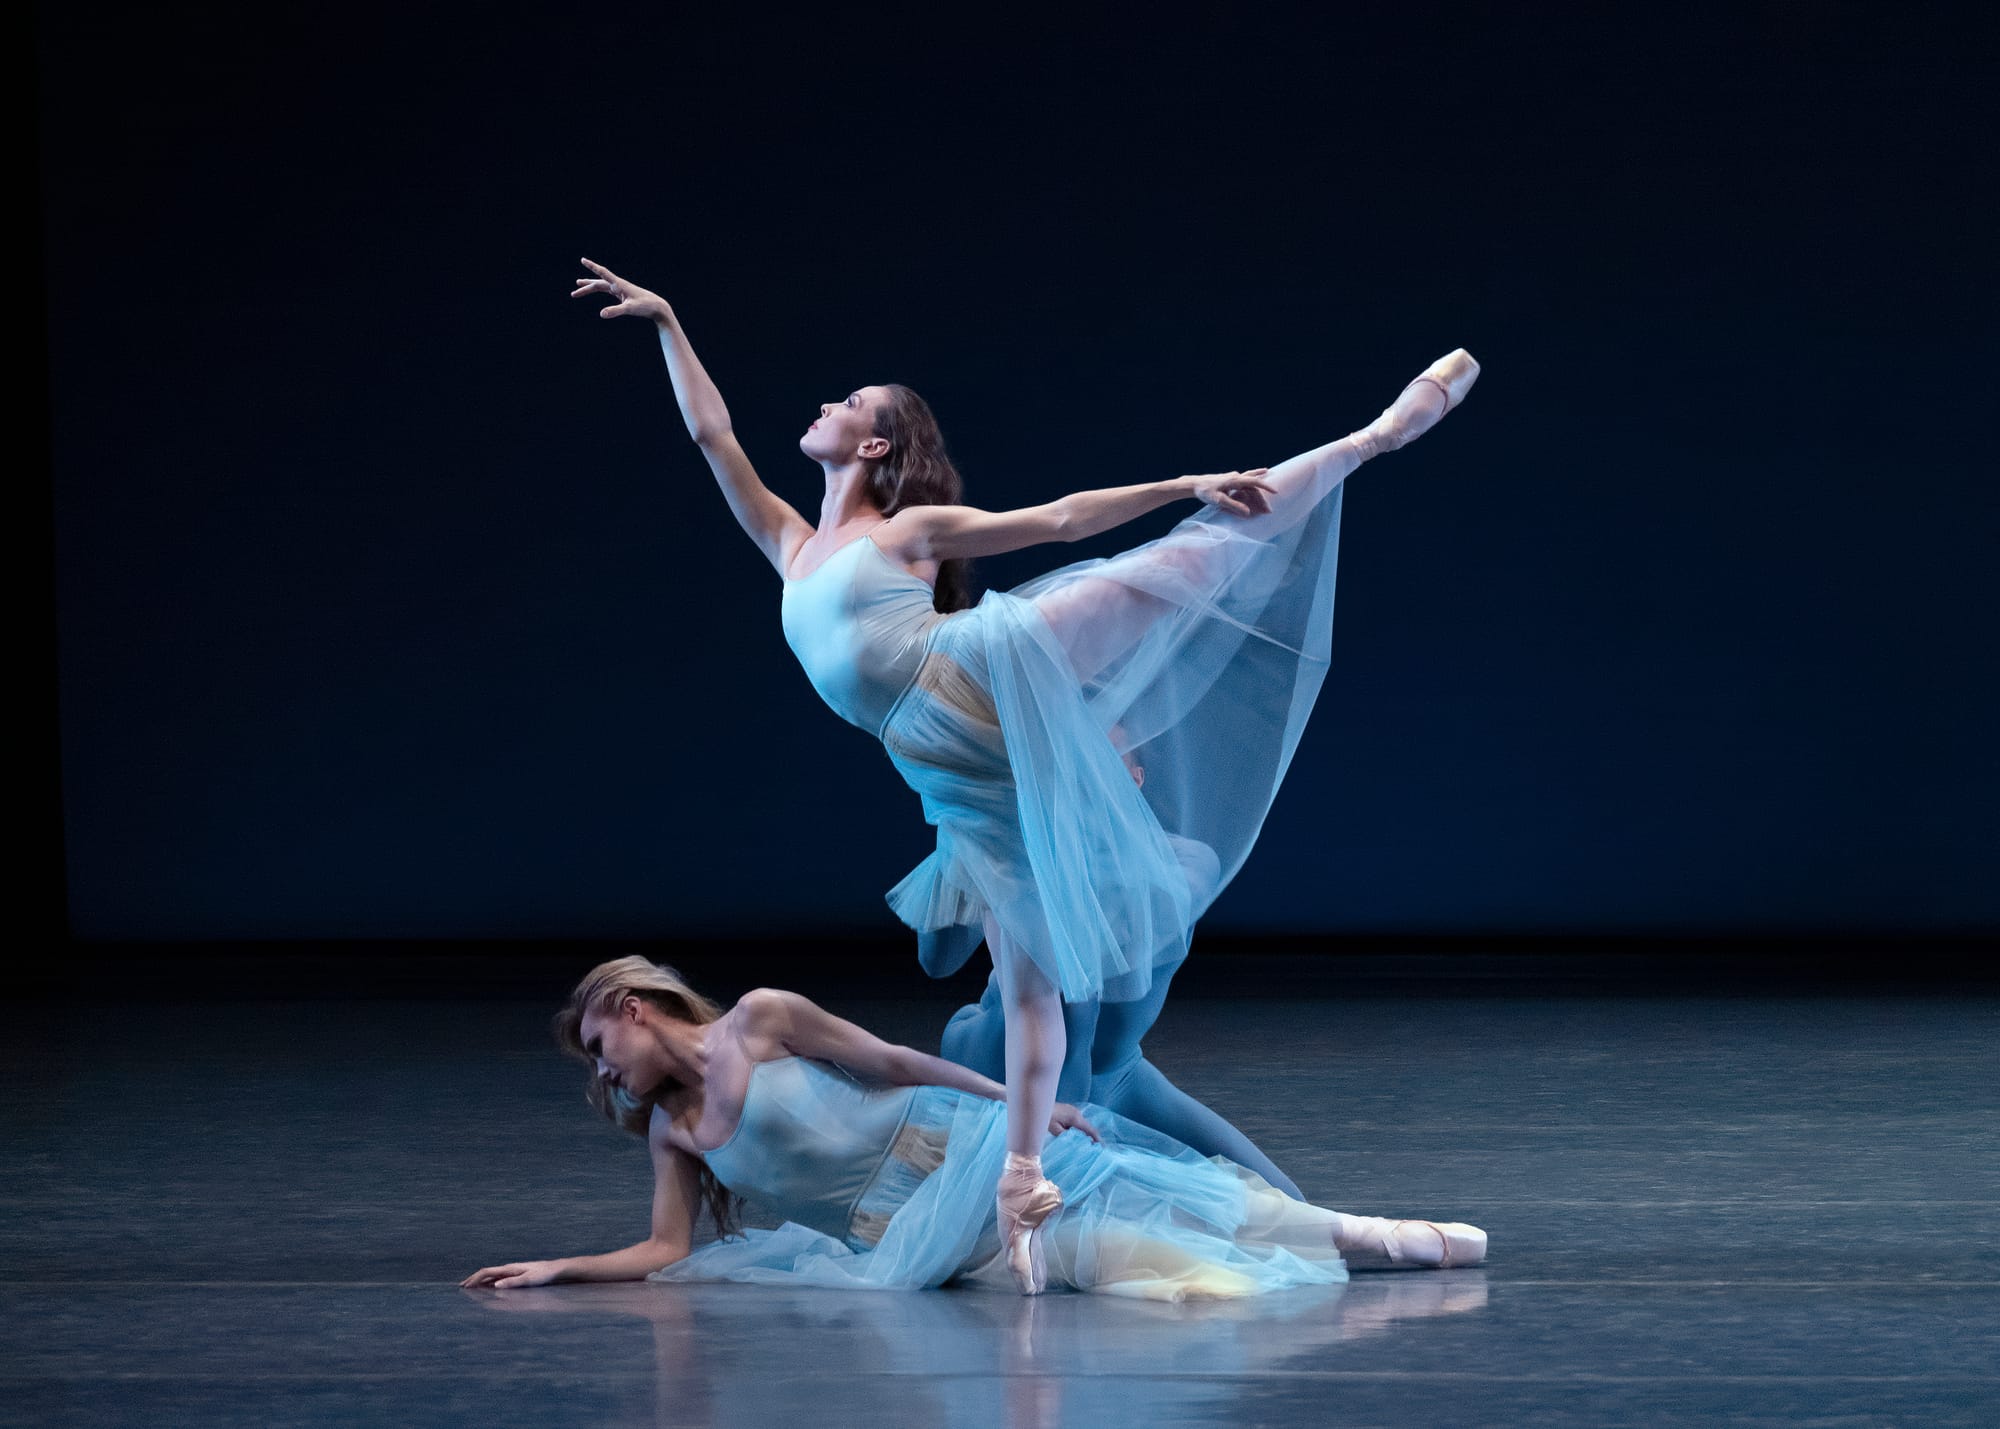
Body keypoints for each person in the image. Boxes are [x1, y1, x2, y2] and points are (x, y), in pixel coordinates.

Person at [568, 257, 1478, 1290]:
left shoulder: (902, 533)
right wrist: (668, 322)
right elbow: (711, 436)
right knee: (1029, 979)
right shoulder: (792, 545)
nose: (824, 405)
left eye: (848, 402)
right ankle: (1023, 1174)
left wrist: (1185, 485)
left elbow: (1059, 520)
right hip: (948, 775)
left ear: (873, 446)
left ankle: (1372, 436)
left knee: (1171, 569)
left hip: (977, 669)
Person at [461, 958, 1487, 1301]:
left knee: (1144, 1183)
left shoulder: (760, 1019)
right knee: (1100, 1255)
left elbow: (894, 1061)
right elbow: (667, 1246)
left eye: (599, 1045)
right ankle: (1268, 1265)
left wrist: (1019, 1104)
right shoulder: (675, 1131)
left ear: (633, 1008)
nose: (604, 1070)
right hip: (906, 1235)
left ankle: (1374, 1232)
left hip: (953, 1145)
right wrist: (561, 1267)